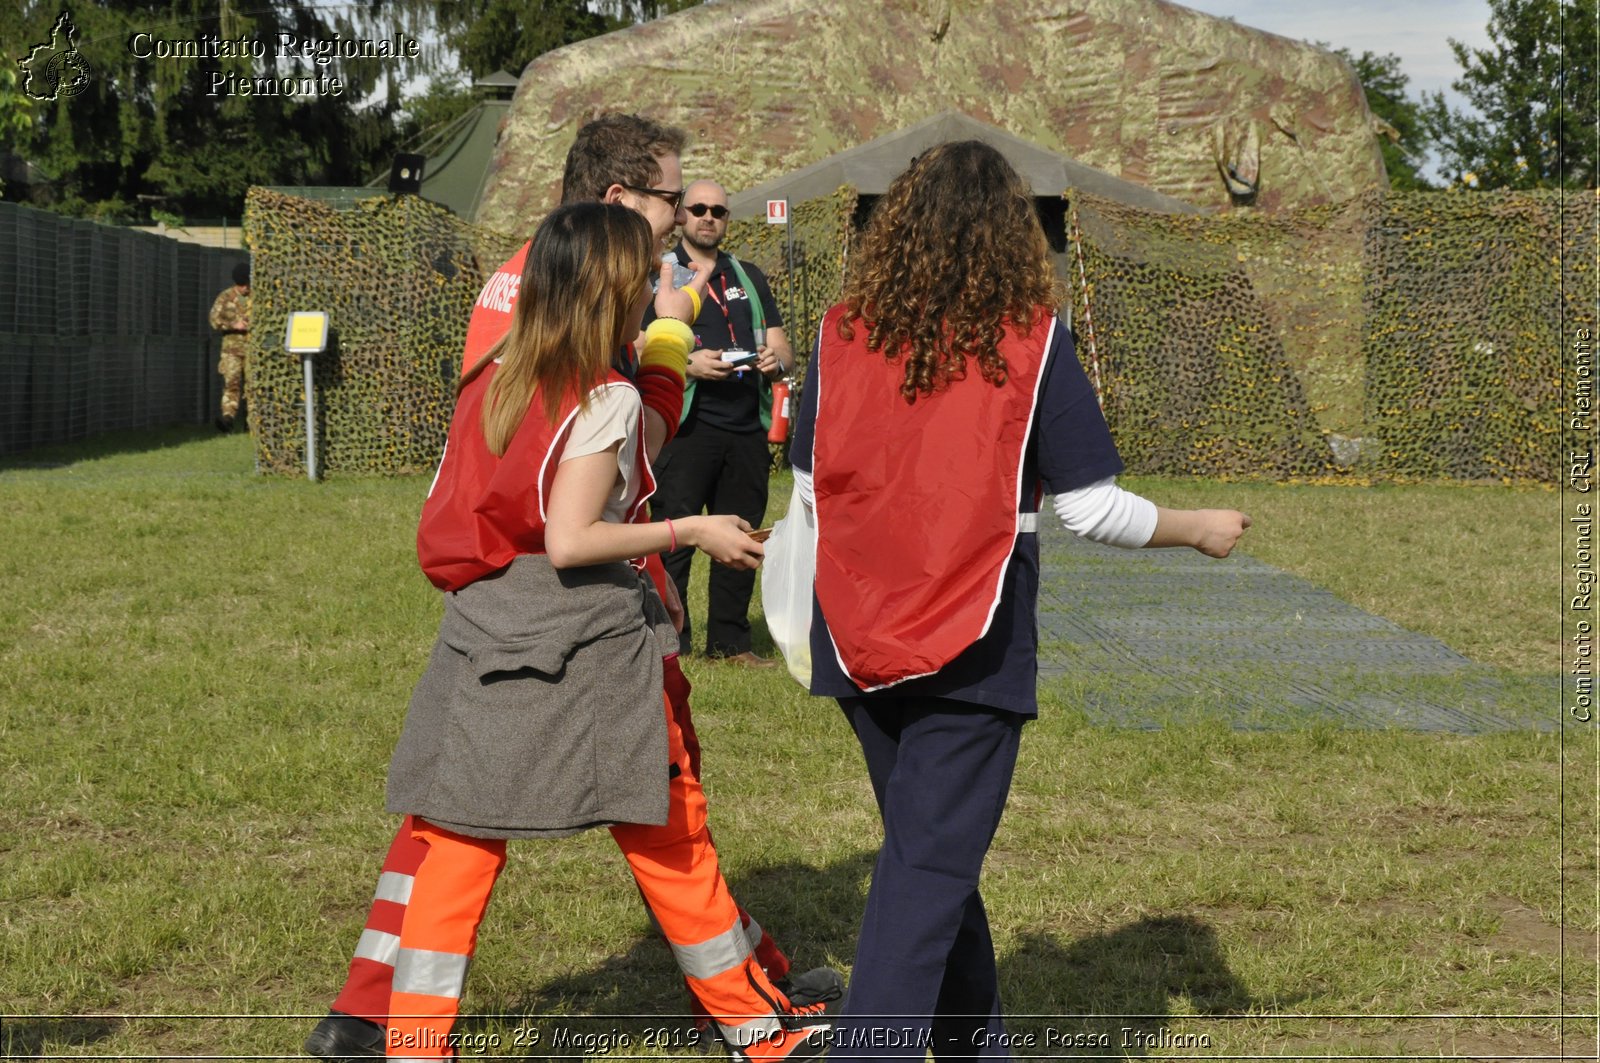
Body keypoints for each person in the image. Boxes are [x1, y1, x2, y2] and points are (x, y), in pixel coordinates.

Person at [306, 117, 839, 1061]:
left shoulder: (512, 338)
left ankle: (389, 1024)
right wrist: (687, 516)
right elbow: (586, 503)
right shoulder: (606, 377)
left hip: (486, 613)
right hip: (582, 617)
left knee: (454, 825)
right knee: (666, 816)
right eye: (675, 203)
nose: (682, 225)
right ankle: (761, 1024)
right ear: (617, 215)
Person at [789, 141, 1252, 1060]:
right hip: (974, 638)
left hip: (853, 626)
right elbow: (1088, 506)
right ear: (1011, 236)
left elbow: (807, 482)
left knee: (931, 855)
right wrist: (1196, 524)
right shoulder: (1033, 341)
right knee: (925, 868)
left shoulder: (841, 331)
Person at [645, 180, 792, 665]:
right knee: (674, 538)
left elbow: (781, 341)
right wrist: (688, 364)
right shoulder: (659, 274)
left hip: (745, 426)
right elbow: (636, 342)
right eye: (699, 209)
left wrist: (775, 358)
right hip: (685, 425)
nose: (709, 217)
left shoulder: (747, 275)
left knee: (743, 538)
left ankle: (731, 644)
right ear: (682, 215)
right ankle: (671, 643)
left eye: (719, 211)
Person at [209, 260, 250, 432]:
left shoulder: (257, 297)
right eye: (241, 285)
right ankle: (228, 418)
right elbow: (214, 320)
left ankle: (251, 422)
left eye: (246, 284)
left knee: (253, 386)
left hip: (252, 349)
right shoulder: (225, 297)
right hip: (232, 350)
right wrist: (233, 324)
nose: (244, 289)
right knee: (231, 383)